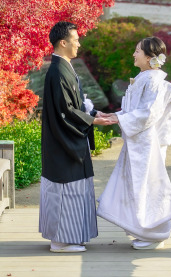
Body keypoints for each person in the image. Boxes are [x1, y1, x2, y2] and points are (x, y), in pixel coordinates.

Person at [96, 36, 171, 250]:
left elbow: (149, 113)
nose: (134, 54)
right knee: (138, 186)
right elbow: (135, 110)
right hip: (139, 141)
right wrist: (117, 115)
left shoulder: (153, 80)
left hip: (146, 143)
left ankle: (154, 232)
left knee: (148, 186)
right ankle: (144, 230)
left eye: (137, 51)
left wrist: (119, 119)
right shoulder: (145, 77)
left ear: (150, 57)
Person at [39, 21, 115, 253]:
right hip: (63, 141)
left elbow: (76, 104)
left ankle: (69, 238)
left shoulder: (63, 68)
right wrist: (91, 120)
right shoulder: (57, 71)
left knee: (73, 189)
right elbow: (66, 110)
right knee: (66, 189)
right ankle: (61, 241)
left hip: (67, 139)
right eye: (76, 40)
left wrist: (93, 113)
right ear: (63, 42)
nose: (79, 44)